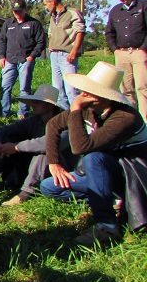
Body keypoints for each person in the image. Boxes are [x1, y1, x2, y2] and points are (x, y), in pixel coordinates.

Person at [40, 62, 147, 246]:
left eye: (89, 90)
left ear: (102, 96)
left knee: (93, 157)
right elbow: (53, 125)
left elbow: (81, 147)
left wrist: (75, 110)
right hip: (102, 175)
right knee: (49, 187)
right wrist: (53, 162)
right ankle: (112, 201)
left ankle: (107, 226)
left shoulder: (125, 118)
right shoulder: (90, 109)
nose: (83, 93)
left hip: (131, 177)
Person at [0, 84, 71, 207]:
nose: (33, 105)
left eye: (37, 102)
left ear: (49, 105)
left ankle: (25, 194)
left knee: (46, 151)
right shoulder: (34, 121)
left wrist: (16, 147)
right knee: (3, 141)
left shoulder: (65, 124)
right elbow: (1, 130)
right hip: (28, 168)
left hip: (56, 173)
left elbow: (49, 143)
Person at [105, 0, 147, 121]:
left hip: (139, 53)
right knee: (126, 90)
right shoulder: (115, 10)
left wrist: (143, 49)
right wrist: (115, 50)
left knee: (143, 88)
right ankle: (131, 121)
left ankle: (145, 121)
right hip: (121, 54)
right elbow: (109, 32)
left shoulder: (144, 5)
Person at [0, 0, 46, 119]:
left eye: (19, 11)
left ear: (25, 10)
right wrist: (2, 56)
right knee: (5, 87)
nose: (17, 13)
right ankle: (4, 113)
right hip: (9, 59)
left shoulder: (34, 23)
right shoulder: (8, 23)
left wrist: (32, 56)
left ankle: (23, 112)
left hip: (25, 59)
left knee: (24, 88)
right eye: (15, 11)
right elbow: (2, 41)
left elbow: (41, 42)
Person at [44, 0, 85, 109]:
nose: (45, 7)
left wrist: (74, 51)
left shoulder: (72, 13)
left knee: (71, 89)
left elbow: (80, 32)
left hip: (67, 55)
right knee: (58, 89)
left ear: (53, 2)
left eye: (46, 4)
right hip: (54, 55)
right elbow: (50, 34)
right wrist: (50, 48)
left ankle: (77, 113)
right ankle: (64, 114)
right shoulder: (53, 17)